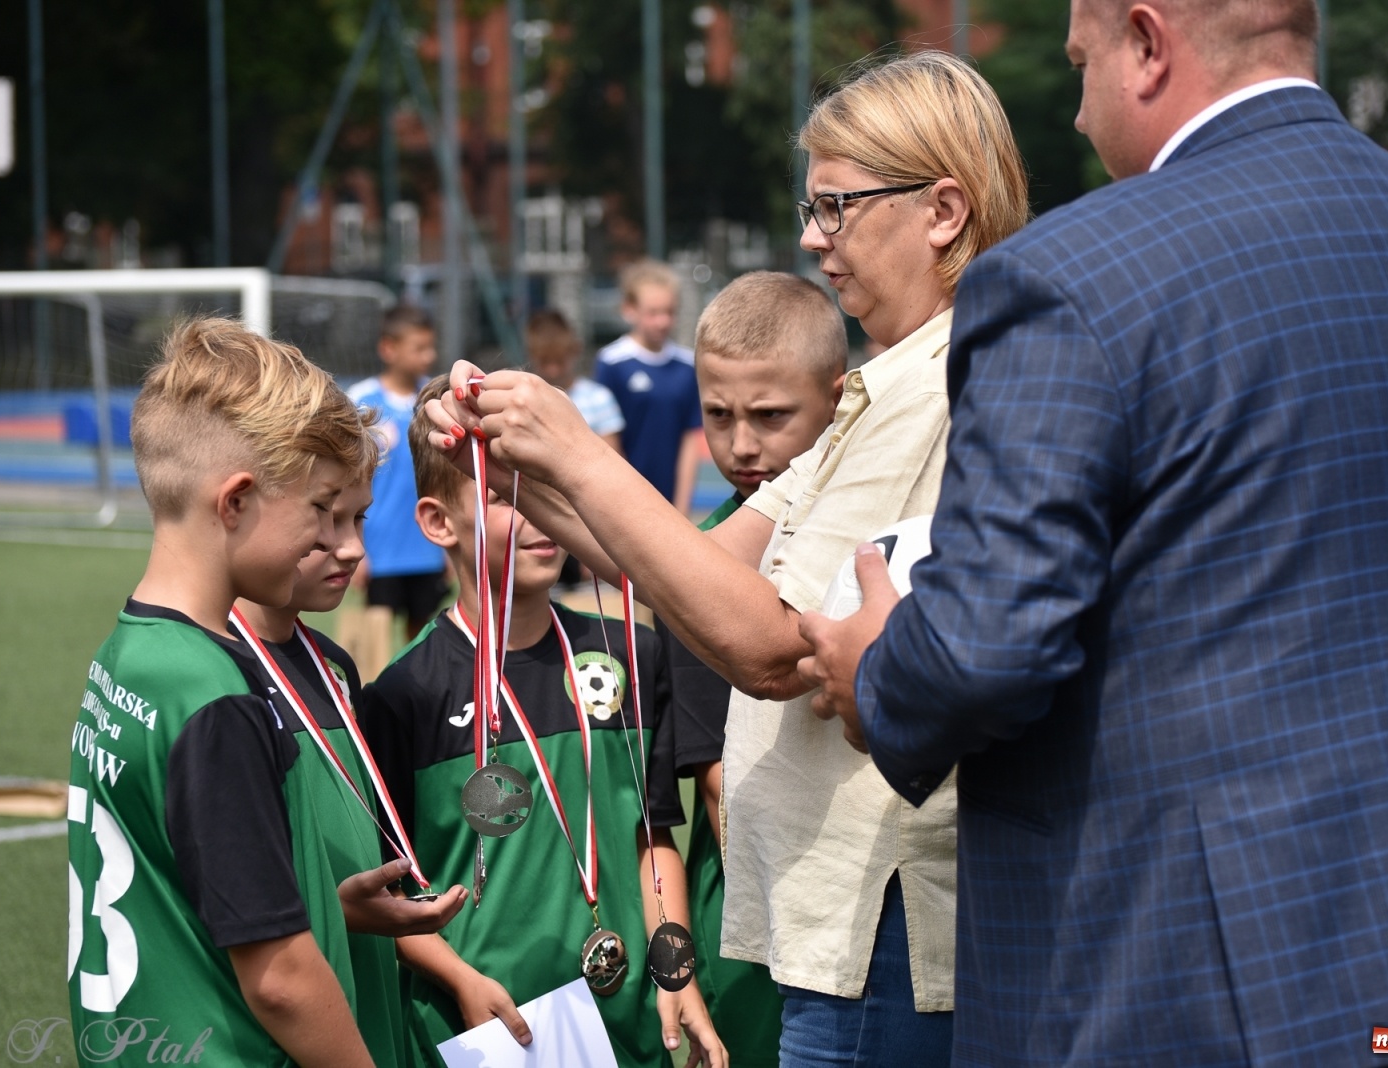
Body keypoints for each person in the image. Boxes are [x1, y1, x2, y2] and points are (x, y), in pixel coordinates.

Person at [798, 2, 1388, 1064]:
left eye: (1082, 63)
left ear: (1146, 44)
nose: (1080, 111)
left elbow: (982, 647)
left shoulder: (1071, 278)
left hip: (1198, 982)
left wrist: (879, 672)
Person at [422, 51, 1030, 1068]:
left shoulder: (940, 386)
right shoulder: (892, 382)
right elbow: (690, 567)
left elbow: (767, 646)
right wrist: (510, 459)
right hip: (841, 918)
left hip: (879, 919)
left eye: (837, 207)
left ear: (942, 210)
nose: (810, 236)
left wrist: (573, 448)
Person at [67, 317, 460, 1068]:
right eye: (320, 509)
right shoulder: (214, 693)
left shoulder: (128, 654)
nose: (343, 544)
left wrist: (329, 907)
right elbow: (280, 979)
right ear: (237, 501)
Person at [359, 377, 727, 1068]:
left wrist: (676, 973)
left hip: (627, 1024)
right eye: (503, 497)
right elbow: (387, 899)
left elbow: (654, 836)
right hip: (480, 1031)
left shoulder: (631, 655)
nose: (536, 518)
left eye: (544, 491)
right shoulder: (402, 694)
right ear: (438, 521)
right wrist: (462, 980)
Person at [234, 465, 523, 1068]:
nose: (354, 547)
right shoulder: (216, 681)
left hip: (364, 1011)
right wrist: (333, 910)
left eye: (358, 518)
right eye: (325, 518)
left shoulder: (334, 667)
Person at [666, 271, 847, 1068]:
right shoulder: (699, 565)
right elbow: (715, 788)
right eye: (718, 415)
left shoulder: (871, 526)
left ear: (841, 401)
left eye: (771, 416)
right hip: (761, 923)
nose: (742, 445)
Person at [350, 305, 446, 643]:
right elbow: (349, 484)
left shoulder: (435, 399)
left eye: (431, 346)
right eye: (419, 347)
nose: (428, 355)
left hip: (427, 546)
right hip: (380, 550)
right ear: (388, 348)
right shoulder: (361, 402)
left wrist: (448, 548)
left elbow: (445, 477)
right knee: (377, 641)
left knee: (424, 639)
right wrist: (357, 549)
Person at [594, 260, 704, 514]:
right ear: (629, 309)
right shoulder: (612, 362)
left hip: (671, 501)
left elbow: (690, 440)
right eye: (653, 312)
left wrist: (682, 506)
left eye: (669, 312)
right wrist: (626, 500)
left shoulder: (686, 366)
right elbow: (606, 440)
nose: (663, 321)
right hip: (625, 502)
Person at [526, 308, 625, 454]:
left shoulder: (598, 398)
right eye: (545, 361)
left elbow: (613, 457)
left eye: (560, 361)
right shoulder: (524, 397)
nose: (553, 370)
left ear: (574, 351)